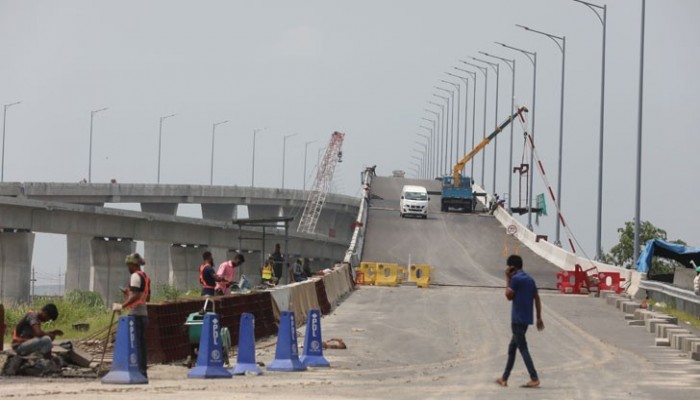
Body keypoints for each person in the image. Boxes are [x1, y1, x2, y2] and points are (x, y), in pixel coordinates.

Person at [496, 254, 544, 389]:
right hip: (526, 319)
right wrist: (539, 317)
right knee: (512, 348)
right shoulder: (530, 279)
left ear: (512, 267)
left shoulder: (515, 279)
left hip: (517, 319)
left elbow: (508, 296)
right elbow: (537, 298)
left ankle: (534, 378)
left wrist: (507, 278)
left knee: (522, 348)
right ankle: (504, 378)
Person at [112, 252, 150, 380]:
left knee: (136, 345)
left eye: (128, 265)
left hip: (136, 315)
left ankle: (138, 372)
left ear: (133, 264)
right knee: (142, 345)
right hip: (144, 314)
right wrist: (128, 292)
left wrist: (122, 306)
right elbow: (146, 296)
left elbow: (136, 296)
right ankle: (143, 372)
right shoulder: (145, 276)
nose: (128, 268)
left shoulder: (134, 276)